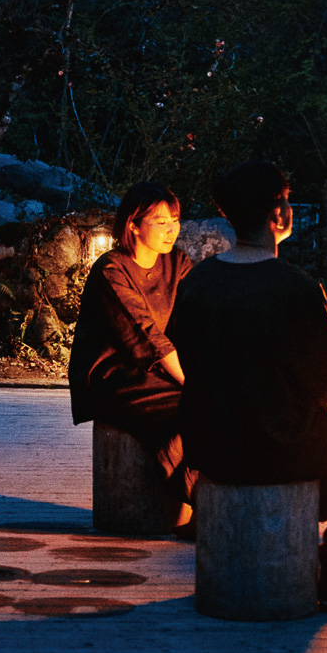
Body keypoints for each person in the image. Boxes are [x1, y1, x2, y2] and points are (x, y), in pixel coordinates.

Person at [169, 160, 327, 613]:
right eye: (286, 201)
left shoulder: (199, 283)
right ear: (278, 214)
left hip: (210, 447)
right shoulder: (296, 289)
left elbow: (183, 357)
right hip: (281, 446)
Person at [67, 181, 195, 522]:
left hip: (160, 371)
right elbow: (145, 334)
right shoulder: (112, 270)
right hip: (113, 374)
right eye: (160, 221)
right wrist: (193, 383)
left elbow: (200, 316)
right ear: (134, 225)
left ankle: (202, 503)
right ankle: (196, 502)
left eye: (175, 221)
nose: (171, 230)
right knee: (191, 405)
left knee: (220, 404)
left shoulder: (178, 263)